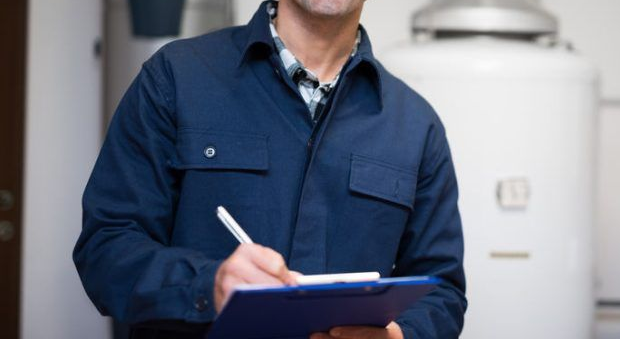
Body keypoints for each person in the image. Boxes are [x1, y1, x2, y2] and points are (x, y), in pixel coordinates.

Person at [73, 0, 466, 338]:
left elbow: (442, 290)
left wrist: (401, 335)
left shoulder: (416, 126)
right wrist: (208, 286)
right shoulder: (175, 79)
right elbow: (106, 247)